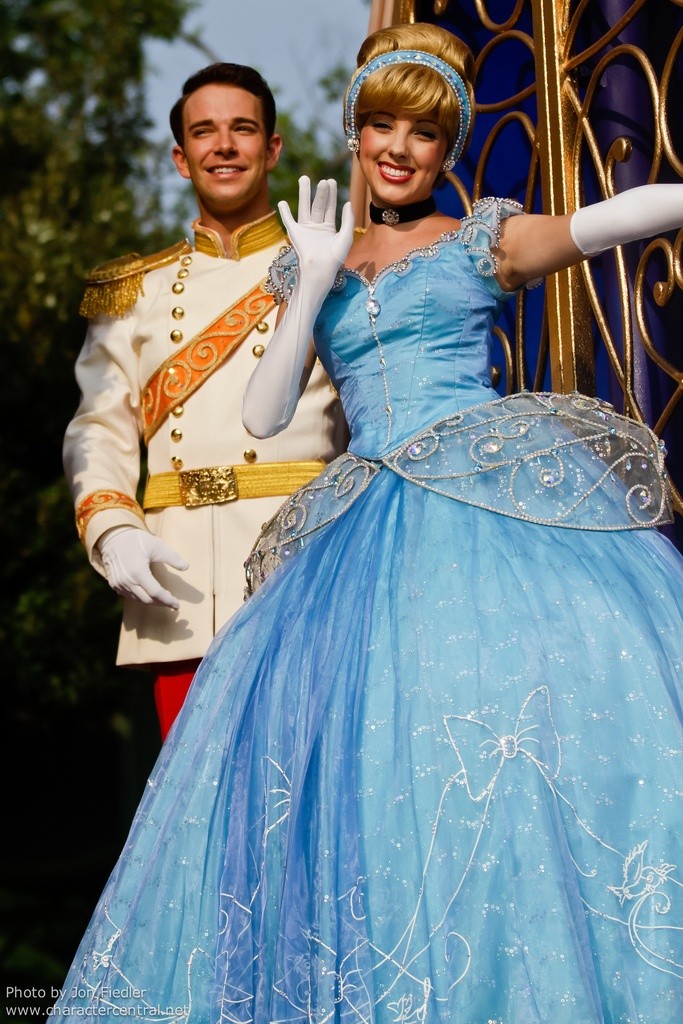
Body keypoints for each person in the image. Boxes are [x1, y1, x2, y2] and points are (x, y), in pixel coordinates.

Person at [51, 22, 683, 1023]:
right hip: (361, 533)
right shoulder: (314, 261)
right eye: (383, 125)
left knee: (493, 742)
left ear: (447, 147)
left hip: (483, 508)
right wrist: (309, 283)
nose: (399, 147)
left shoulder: (480, 239)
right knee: (367, 759)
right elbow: (265, 416)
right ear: (354, 130)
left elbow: (610, 219)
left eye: (424, 133)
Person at [63, 62, 346, 740]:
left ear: (271, 149)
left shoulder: (333, 265)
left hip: (303, 567)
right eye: (204, 132)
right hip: (178, 583)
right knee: (193, 797)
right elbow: (97, 428)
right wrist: (112, 526)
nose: (223, 146)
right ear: (180, 157)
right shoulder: (135, 290)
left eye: (242, 129)